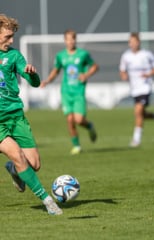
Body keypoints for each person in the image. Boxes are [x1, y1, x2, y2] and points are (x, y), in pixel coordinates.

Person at [0, 14, 62, 215]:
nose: (11, 41)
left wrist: (32, 74)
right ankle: (47, 200)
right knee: (17, 154)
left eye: (12, 37)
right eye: (7, 36)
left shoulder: (15, 56)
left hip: (16, 116)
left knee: (33, 164)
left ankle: (13, 168)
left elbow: (34, 82)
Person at [41, 29, 98, 155]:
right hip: (66, 92)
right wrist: (47, 80)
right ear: (65, 40)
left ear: (75, 40)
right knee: (70, 120)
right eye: (68, 39)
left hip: (78, 92)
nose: (70, 41)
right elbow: (56, 70)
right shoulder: (61, 56)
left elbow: (95, 66)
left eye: (73, 39)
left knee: (79, 120)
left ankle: (89, 126)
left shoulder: (83, 54)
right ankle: (77, 146)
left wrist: (86, 75)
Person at [119, 32, 154, 148]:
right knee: (140, 113)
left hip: (145, 88)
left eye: (135, 42)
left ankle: (136, 139)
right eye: (131, 42)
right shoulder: (126, 56)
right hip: (134, 89)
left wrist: (149, 74)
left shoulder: (147, 54)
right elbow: (122, 70)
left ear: (139, 42)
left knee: (138, 112)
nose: (133, 44)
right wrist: (123, 75)